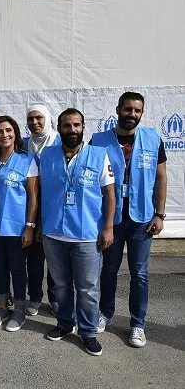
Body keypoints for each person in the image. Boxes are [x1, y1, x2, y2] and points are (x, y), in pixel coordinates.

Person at [92, 92, 167, 348]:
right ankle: (105, 314)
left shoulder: (152, 138)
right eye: (127, 109)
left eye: (136, 111)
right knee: (109, 270)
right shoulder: (99, 140)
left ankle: (137, 324)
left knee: (140, 274)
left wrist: (160, 213)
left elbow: (161, 177)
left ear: (141, 114)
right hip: (111, 219)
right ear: (118, 109)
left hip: (142, 218)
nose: (131, 115)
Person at [40, 108, 115, 356]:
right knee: (60, 285)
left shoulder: (98, 155)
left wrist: (108, 227)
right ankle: (64, 323)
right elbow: (39, 192)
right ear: (58, 128)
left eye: (76, 125)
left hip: (86, 235)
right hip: (54, 233)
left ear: (83, 127)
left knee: (87, 288)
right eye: (66, 125)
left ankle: (88, 332)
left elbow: (109, 194)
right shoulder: (47, 155)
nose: (72, 130)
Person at [0, 116, 38, 331]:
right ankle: (1, 306)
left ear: (15, 133)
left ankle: (19, 310)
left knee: (17, 269)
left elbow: (33, 196)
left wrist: (30, 226)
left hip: (17, 227)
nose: (4, 135)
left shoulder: (27, 160)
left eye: (8, 130)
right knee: (0, 268)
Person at [22, 105, 61, 317]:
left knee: (54, 258)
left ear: (47, 119)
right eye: (30, 119)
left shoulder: (58, 142)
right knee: (34, 258)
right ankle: (35, 297)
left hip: (54, 208)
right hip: (31, 208)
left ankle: (55, 298)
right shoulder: (24, 144)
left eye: (39, 118)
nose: (35, 122)